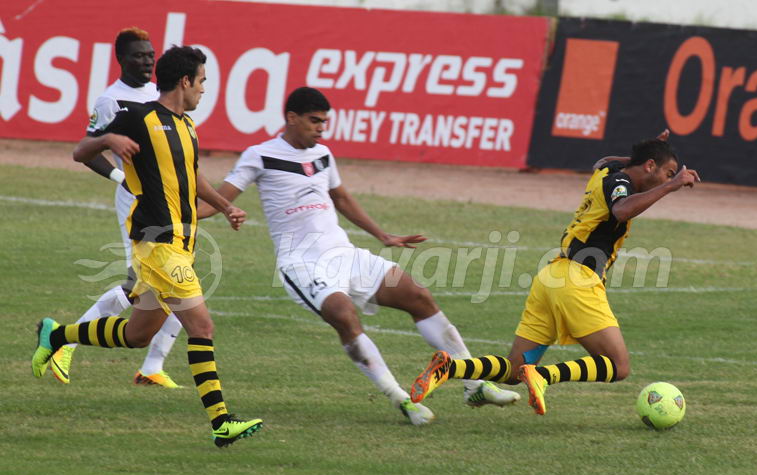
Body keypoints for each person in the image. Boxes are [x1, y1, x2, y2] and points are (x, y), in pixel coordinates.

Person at [198, 87, 519, 426]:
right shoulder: (259, 155)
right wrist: (193, 213)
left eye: (324, 122)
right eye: (314, 121)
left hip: (344, 254)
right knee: (343, 314)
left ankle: (474, 384)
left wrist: (382, 235)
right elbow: (218, 200)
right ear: (291, 118)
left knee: (418, 295)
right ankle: (401, 400)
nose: (321, 128)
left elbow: (342, 199)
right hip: (301, 263)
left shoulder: (323, 154)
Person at [32, 45, 263, 448]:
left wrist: (225, 206)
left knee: (139, 335)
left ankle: (56, 335)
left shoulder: (188, 125)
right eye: (203, 81)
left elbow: (192, 175)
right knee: (202, 326)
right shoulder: (138, 116)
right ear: (185, 81)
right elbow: (80, 151)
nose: (205, 89)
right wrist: (109, 138)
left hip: (181, 243)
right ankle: (221, 422)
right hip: (158, 244)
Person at [410, 132, 700, 416]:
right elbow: (622, 210)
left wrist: (645, 157)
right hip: (577, 281)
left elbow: (602, 160)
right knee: (618, 365)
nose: (669, 179)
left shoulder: (610, 171)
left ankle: (451, 366)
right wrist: (669, 186)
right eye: (668, 172)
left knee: (513, 370)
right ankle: (545, 377)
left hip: (552, 278)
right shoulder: (620, 182)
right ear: (650, 166)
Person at [48, 27, 184, 389]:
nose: (148, 60)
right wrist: (120, 178)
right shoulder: (111, 100)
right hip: (136, 204)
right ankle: (63, 342)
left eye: (151, 54)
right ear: (122, 59)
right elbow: (87, 149)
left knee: (181, 286)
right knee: (143, 286)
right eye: (140, 55)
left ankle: (152, 367)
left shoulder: (160, 94)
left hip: (164, 200)